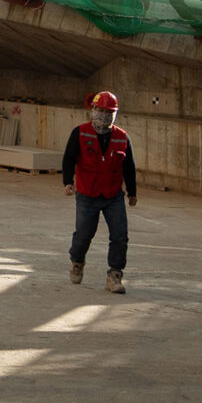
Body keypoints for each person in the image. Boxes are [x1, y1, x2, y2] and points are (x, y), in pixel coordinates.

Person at [62, 90, 136, 291]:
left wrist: (132, 192)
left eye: (109, 112)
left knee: (120, 236)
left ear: (115, 113)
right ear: (93, 110)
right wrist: (68, 182)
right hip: (87, 194)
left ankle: (115, 275)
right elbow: (69, 158)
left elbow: (129, 166)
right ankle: (77, 261)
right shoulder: (80, 133)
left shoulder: (122, 137)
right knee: (84, 234)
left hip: (113, 195)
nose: (104, 115)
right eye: (100, 110)